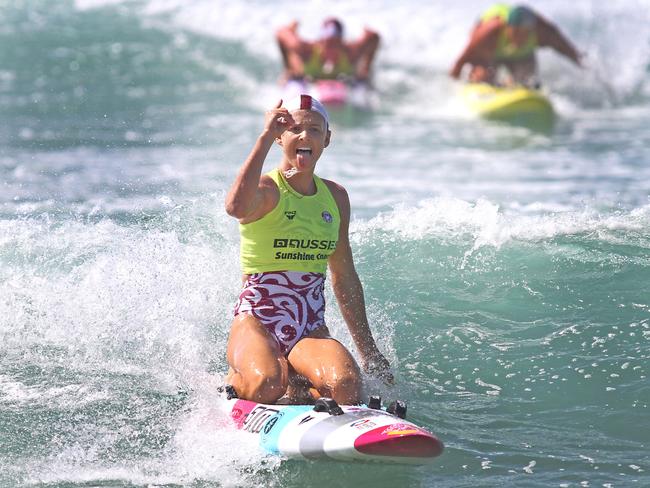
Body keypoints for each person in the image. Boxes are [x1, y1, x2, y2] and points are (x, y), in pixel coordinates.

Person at [224, 94, 392, 405]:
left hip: (308, 326)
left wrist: (369, 351)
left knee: (346, 385)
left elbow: (344, 276)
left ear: (327, 139)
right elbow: (235, 206)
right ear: (279, 137)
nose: (305, 136)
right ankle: (237, 380)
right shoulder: (266, 190)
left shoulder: (336, 197)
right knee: (265, 384)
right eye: (294, 129)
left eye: (315, 130)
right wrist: (263, 137)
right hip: (258, 320)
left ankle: (298, 378)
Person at [450, 4, 583, 87]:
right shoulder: (490, 32)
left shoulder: (544, 32)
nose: (520, 39)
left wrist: (588, 69)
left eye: (526, 34)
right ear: (506, 27)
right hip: (490, 54)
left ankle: (511, 84)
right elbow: (461, 61)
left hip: (521, 57)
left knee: (527, 79)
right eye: (516, 33)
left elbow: (570, 52)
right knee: (483, 75)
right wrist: (454, 87)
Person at [276, 18, 380, 83]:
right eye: (327, 43)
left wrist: (366, 68)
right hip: (306, 71)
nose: (330, 47)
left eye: (334, 43)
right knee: (295, 62)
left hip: (342, 72)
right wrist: (288, 67)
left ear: (341, 43)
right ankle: (293, 28)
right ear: (321, 41)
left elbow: (374, 36)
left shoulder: (350, 53)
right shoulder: (307, 50)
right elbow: (281, 33)